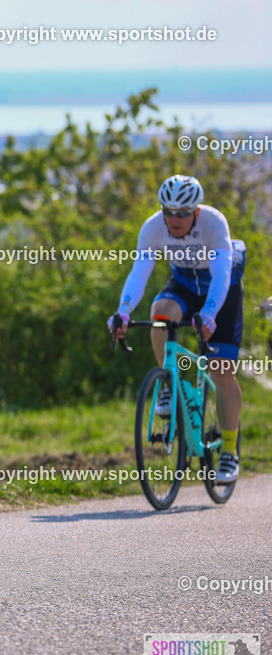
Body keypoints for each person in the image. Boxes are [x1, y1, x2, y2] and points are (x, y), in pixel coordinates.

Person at [109, 174, 245, 484]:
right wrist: (123, 312)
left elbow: (222, 275)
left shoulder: (213, 222)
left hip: (221, 288)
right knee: (160, 314)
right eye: (169, 212)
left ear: (196, 211)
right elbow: (139, 273)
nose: (175, 219)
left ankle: (229, 451)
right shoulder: (152, 227)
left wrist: (209, 314)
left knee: (220, 369)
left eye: (183, 213)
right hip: (185, 282)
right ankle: (168, 385)